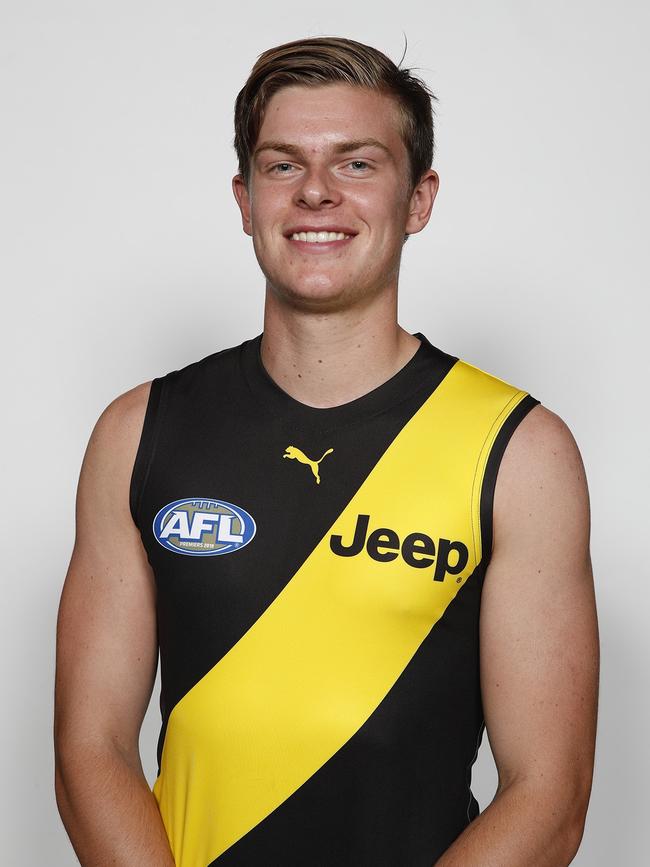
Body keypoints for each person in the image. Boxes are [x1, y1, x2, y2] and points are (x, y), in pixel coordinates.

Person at [54, 36, 599, 867]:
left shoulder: (521, 451)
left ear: (418, 199)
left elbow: (549, 797)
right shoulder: (138, 432)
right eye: (282, 166)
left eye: (356, 164)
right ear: (243, 199)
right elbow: (89, 747)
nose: (315, 191)